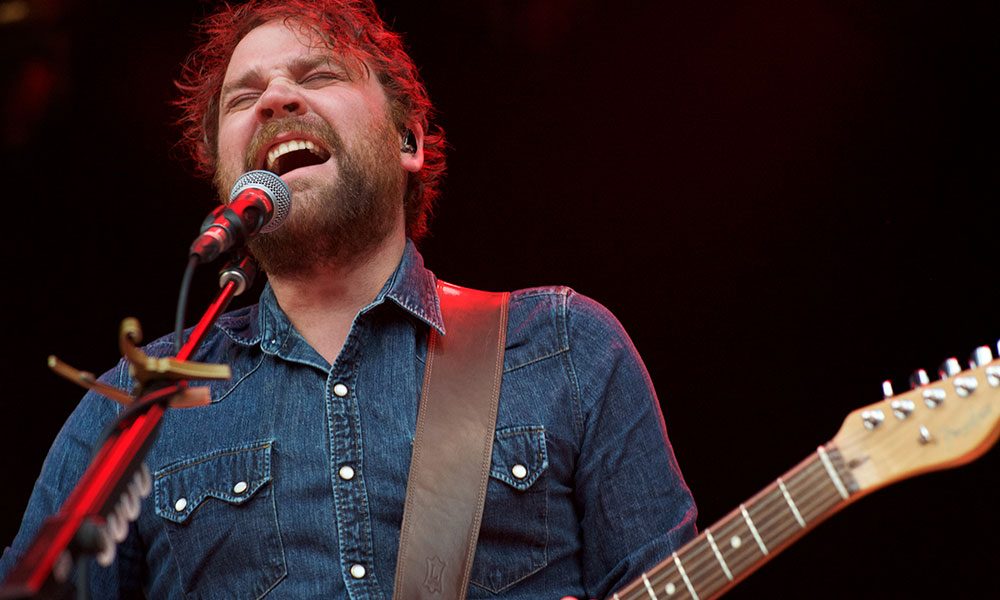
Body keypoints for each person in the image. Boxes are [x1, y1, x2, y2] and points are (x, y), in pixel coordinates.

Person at [0, 1, 697, 597]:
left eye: (318, 75)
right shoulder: (138, 405)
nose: (275, 98)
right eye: (244, 99)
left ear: (407, 138)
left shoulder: (563, 347)